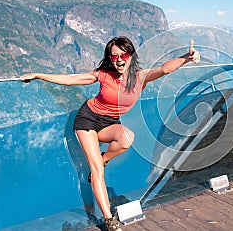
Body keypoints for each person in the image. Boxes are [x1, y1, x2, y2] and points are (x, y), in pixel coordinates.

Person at [20, 36, 200, 231]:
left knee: (127, 138)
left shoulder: (140, 77)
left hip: (109, 123)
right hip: (87, 119)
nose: (120, 59)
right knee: (97, 170)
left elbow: (165, 68)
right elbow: (71, 80)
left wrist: (187, 58)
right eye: (114, 56)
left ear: (131, 56)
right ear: (109, 58)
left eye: (124, 54)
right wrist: (38, 74)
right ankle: (108, 219)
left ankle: (104, 158)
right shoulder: (103, 75)